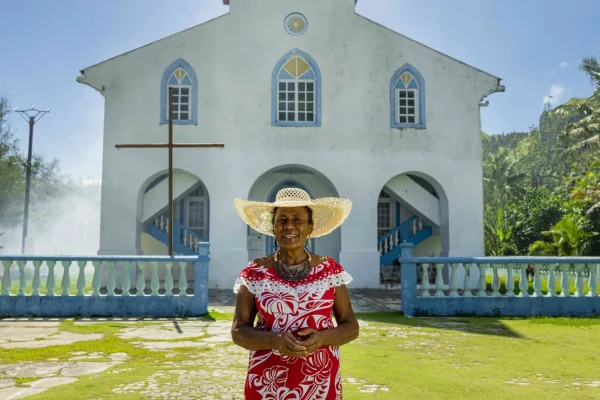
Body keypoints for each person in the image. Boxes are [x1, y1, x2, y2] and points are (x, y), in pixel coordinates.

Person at [231, 188, 360, 399]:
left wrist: (323, 338)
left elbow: (351, 327)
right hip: (267, 386)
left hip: (320, 385)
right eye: (282, 219)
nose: (289, 226)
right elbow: (238, 331)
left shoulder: (330, 271)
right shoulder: (255, 273)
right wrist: (276, 340)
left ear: (310, 227)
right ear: (273, 227)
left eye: (297, 219)